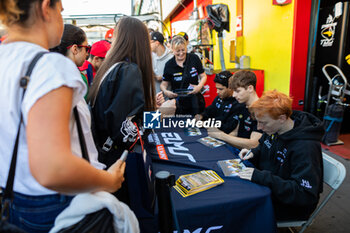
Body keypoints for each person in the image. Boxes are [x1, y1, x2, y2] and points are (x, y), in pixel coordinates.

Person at [0, 1, 125, 232]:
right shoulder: (51, 66)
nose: (61, 17)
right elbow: (53, 169)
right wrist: (110, 180)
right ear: (46, 7)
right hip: (59, 204)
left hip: (14, 200)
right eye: (61, 10)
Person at [238, 90, 324, 221]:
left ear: (282, 118)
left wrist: (263, 177)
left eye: (264, 123)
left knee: (239, 209)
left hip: (292, 206)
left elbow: (305, 194)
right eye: (258, 122)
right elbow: (264, 145)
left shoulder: (305, 147)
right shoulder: (274, 128)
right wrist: (253, 153)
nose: (259, 127)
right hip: (271, 188)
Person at [87, 16, 156, 167]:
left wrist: (150, 107)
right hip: (116, 161)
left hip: (103, 154)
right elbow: (126, 132)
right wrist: (157, 116)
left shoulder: (112, 67)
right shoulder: (128, 70)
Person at [208, 70, 262, 149]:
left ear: (250, 88)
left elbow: (254, 144)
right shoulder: (242, 105)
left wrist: (221, 135)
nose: (233, 95)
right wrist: (219, 142)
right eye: (233, 91)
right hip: (238, 152)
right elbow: (236, 132)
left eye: (237, 91)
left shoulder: (261, 111)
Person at [161, 35, 207, 115]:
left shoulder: (194, 58)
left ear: (186, 47)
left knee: (195, 125)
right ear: (172, 50)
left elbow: (203, 76)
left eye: (183, 50)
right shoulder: (169, 65)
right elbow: (163, 84)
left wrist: (199, 86)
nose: (181, 53)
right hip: (178, 103)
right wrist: (166, 91)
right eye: (177, 51)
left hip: (194, 100)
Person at [50, 24, 91, 98]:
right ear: (75, 49)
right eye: (87, 48)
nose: (87, 54)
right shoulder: (77, 80)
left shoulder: (47, 74)